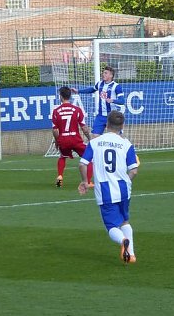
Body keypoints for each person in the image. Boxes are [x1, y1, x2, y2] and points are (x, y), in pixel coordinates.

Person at [78, 110, 140, 264]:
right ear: (122, 126)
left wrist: (85, 181)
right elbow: (134, 170)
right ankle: (131, 255)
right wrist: (128, 180)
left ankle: (123, 241)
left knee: (112, 226)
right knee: (124, 221)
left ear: (106, 125)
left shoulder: (94, 142)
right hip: (124, 189)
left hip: (105, 191)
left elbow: (82, 164)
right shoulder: (126, 144)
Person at [51, 86, 92, 188]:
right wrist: (90, 138)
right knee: (89, 159)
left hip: (63, 139)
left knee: (62, 157)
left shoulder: (56, 111)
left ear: (60, 96)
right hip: (75, 139)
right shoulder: (77, 110)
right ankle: (89, 181)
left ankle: (60, 177)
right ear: (70, 96)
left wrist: (57, 141)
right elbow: (84, 127)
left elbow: (55, 130)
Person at [71, 65, 124, 135]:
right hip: (100, 116)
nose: (103, 74)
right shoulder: (100, 84)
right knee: (94, 136)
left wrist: (113, 100)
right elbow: (91, 89)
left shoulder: (116, 86)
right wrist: (78, 91)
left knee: (117, 137)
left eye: (105, 73)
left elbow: (122, 101)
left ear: (111, 75)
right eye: (103, 73)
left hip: (112, 116)